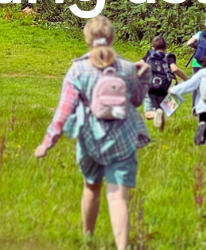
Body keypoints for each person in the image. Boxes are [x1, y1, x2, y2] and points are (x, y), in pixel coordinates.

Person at [35, 16, 151, 250]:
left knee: (91, 187)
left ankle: (87, 240)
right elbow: (137, 101)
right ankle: (123, 247)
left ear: (87, 39)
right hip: (123, 139)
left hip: (90, 139)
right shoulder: (128, 68)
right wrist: (144, 75)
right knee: (118, 196)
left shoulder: (78, 69)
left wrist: (48, 142)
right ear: (112, 37)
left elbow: (63, 111)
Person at [135, 36, 186, 131]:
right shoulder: (169, 56)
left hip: (149, 88)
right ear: (166, 47)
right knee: (162, 110)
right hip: (164, 89)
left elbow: (138, 64)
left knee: (148, 114)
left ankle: (155, 115)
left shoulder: (149, 54)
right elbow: (174, 69)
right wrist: (186, 78)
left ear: (153, 47)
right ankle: (161, 130)